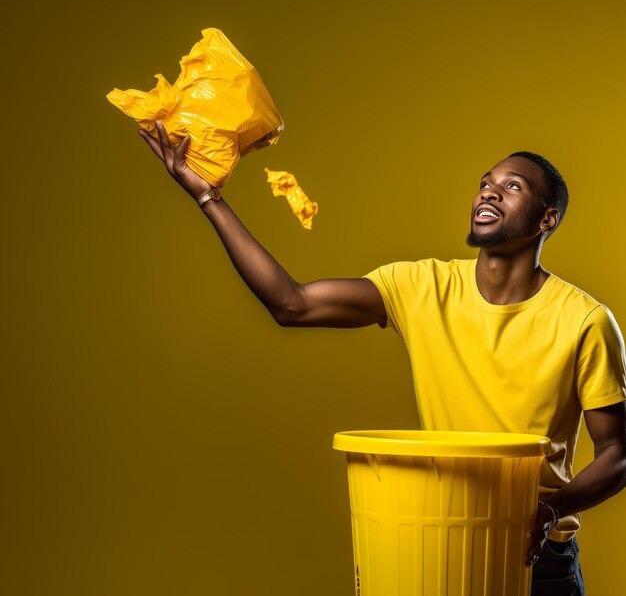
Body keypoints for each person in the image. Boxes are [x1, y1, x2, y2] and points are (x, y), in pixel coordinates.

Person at [138, 120, 626, 596]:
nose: (488, 193)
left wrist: (550, 510)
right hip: (439, 542)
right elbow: (292, 303)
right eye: (485, 184)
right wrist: (209, 198)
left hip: (536, 558)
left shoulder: (585, 320)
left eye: (512, 186)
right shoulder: (420, 287)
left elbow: (618, 454)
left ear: (547, 219)